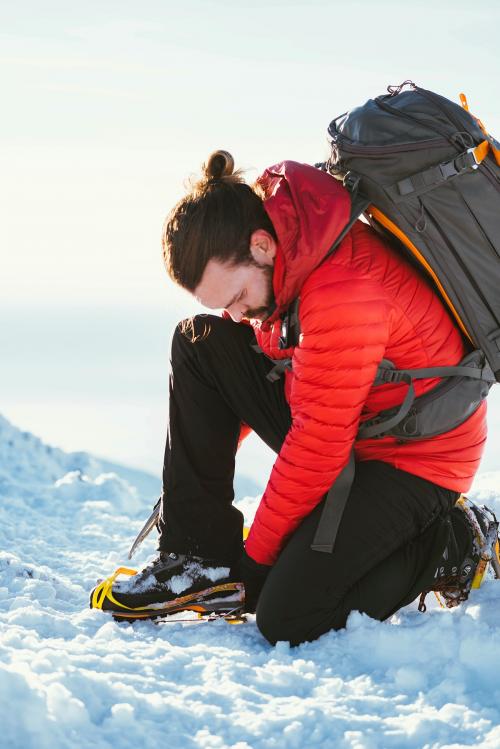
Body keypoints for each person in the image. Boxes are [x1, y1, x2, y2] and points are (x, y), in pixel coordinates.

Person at [97, 150, 496, 645]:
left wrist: (252, 563)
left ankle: (455, 541)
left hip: (413, 460)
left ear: (261, 246)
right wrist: (207, 460)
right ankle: (196, 554)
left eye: (238, 298)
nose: (238, 316)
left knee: (286, 615)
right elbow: (261, 376)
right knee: (200, 343)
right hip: (354, 420)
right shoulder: (291, 254)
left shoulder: (341, 292)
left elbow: (317, 448)